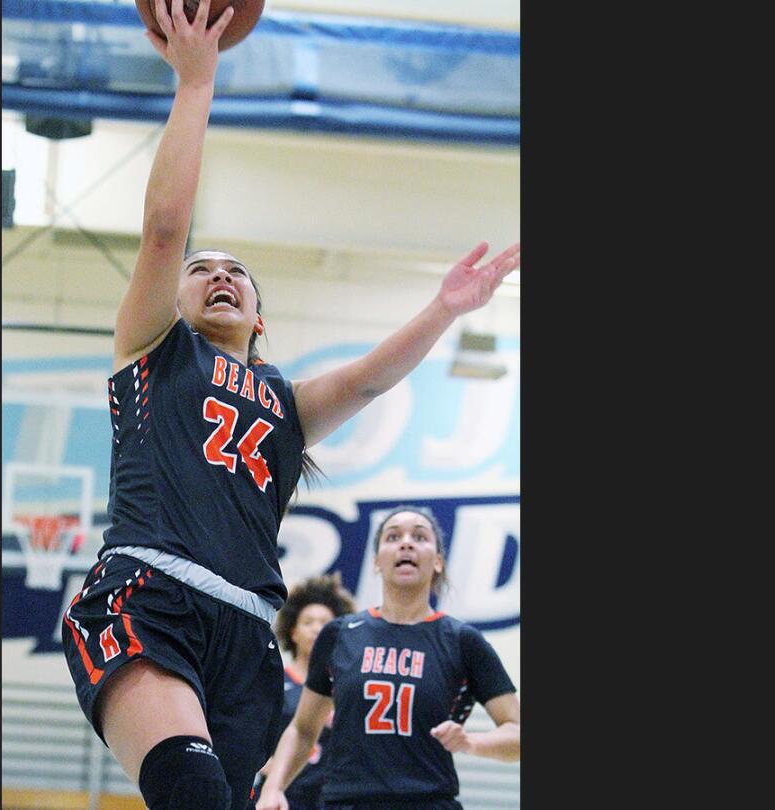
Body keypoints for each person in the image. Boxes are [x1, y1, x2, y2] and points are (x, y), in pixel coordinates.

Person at [59, 2, 522, 808]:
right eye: (204, 270)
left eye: (238, 272)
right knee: (193, 792)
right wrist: (196, 80)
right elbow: (166, 228)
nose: (220, 275)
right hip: (148, 596)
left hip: (245, 636)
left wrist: (446, 309)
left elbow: (373, 378)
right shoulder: (151, 348)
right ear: (175, 296)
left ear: (261, 317)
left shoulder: (284, 402)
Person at [256, 506, 521, 810]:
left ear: (437, 561)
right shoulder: (339, 635)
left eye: (420, 536)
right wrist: (273, 789)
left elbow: (517, 733)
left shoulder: (462, 641)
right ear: (376, 561)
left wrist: (472, 742)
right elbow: (303, 730)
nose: (406, 543)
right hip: (348, 801)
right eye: (393, 536)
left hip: (428, 801)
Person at [253, 574, 358, 810]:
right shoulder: (274, 678)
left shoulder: (347, 687)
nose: (316, 630)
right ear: (293, 631)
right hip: (278, 795)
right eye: (308, 622)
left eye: (324, 623)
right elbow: (245, 730)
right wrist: (263, 766)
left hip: (326, 799)